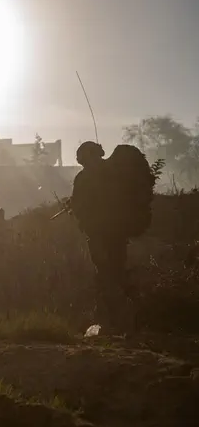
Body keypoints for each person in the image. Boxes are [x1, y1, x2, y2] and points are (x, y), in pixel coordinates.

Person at [71, 141, 154, 333]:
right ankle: (131, 314)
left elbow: (80, 206)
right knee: (116, 269)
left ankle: (115, 318)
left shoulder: (84, 177)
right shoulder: (117, 174)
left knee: (106, 273)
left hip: (99, 233)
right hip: (117, 231)